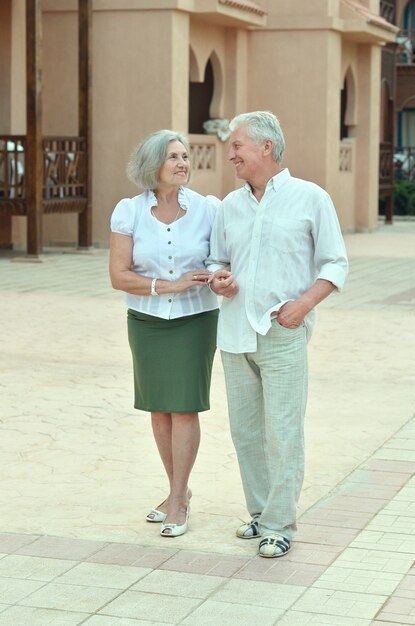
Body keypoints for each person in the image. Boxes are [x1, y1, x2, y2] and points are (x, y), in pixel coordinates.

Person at [207, 111, 348, 558]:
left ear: (266, 147)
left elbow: (335, 263)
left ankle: (279, 524)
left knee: (283, 432)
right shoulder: (229, 205)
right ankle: (260, 514)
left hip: (283, 332)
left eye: (237, 146)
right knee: (246, 433)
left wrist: (303, 305)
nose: (230, 154)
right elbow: (216, 260)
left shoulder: (311, 198)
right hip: (234, 334)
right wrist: (220, 278)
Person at [109, 130, 219, 537]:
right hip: (147, 322)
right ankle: (180, 492)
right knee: (159, 408)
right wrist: (168, 286)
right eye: (173, 156)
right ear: (152, 165)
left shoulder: (208, 209)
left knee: (184, 406)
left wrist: (217, 276)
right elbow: (119, 276)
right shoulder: (128, 212)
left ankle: (176, 499)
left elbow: (221, 258)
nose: (182, 163)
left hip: (196, 320)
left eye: (185, 156)